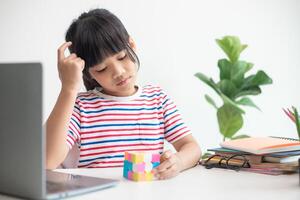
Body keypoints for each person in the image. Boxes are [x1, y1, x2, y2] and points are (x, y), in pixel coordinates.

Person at [46, 8, 201, 180]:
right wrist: (68, 88)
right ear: (88, 73)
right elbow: (48, 161)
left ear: (132, 45)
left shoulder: (157, 99)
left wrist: (178, 162)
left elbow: (192, 147)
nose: (118, 72)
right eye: (102, 68)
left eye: (121, 57)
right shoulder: (80, 107)